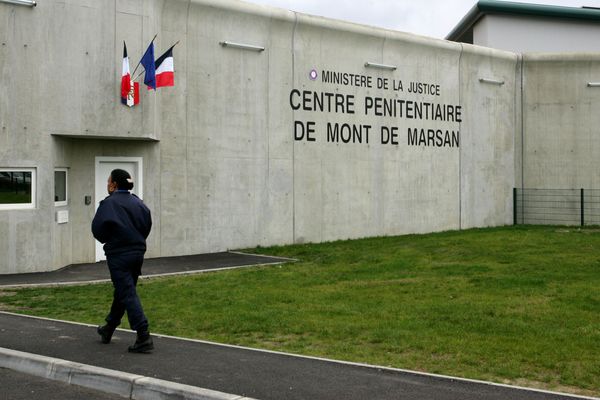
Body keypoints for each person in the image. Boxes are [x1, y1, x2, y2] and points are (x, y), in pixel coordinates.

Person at [91, 168, 154, 353]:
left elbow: (98, 230)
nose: (107, 185)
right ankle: (108, 328)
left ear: (115, 184)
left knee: (127, 292)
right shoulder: (139, 203)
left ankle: (143, 335)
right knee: (124, 290)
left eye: (109, 181)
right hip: (138, 253)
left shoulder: (108, 204)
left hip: (118, 255)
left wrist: (110, 240)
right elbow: (147, 225)